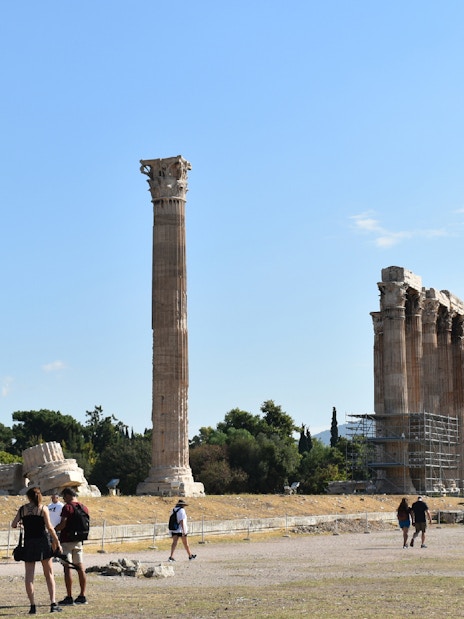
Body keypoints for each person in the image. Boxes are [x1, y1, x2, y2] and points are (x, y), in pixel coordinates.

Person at [11, 486, 63, 614]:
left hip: (29, 542)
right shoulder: (43, 508)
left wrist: (21, 524)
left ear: (28, 496)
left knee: (29, 577)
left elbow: (13, 524)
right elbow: (50, 527)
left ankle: (32, 606)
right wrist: (57, 542)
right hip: (43, 542)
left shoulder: (23, 509)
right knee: (49, 574)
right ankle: (53, 603)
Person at [55, 488, 89, 605]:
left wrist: (54, 530)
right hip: (79, 540)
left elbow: (63, 524)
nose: (63, 499)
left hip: (67, 541)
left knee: (67, 568)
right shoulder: (84, 507)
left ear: (68, 495)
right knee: (80, 568)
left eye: (64, 497)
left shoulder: (67, 507)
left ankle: (69, 597)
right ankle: (82, 595)